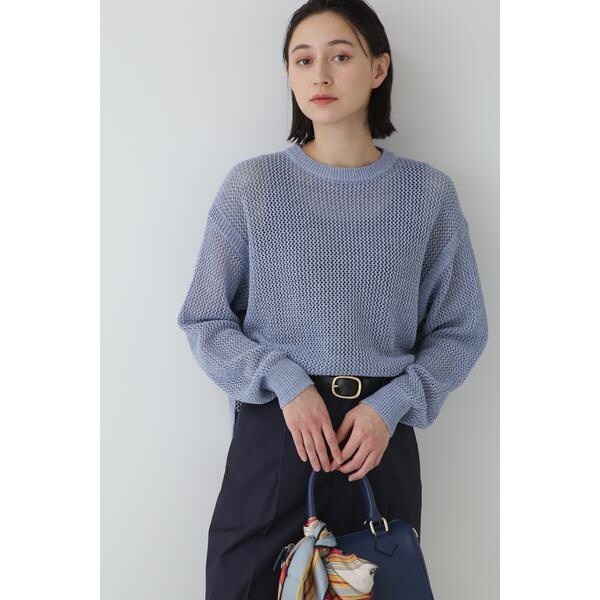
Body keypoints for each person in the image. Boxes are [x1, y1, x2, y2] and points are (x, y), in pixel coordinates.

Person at [176, 1, 489, 597]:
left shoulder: (427, 194)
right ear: (289, 76)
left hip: (377, 447)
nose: (319, 74)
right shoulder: (253, 187)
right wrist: (286, 382)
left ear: (378, 69)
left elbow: (460, 329)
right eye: (303, 60)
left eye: (340, 56)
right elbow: (205, 318)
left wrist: (392, 404)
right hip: (278, 437)